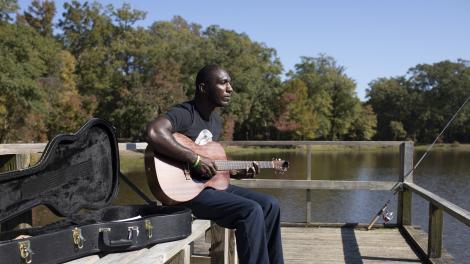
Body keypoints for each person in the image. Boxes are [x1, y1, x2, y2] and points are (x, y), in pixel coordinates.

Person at [146, 64, 284, 264]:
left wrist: (236, 172)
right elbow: (154, 132)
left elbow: (211, 167)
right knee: (250, 210)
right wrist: (194, 159)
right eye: (223, 82)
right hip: (185, 194)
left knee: (271, 204)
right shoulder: (185, 113)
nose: (230, 88)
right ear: (203, 88)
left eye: (229, 83)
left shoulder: (215, 121)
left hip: (208, 188)